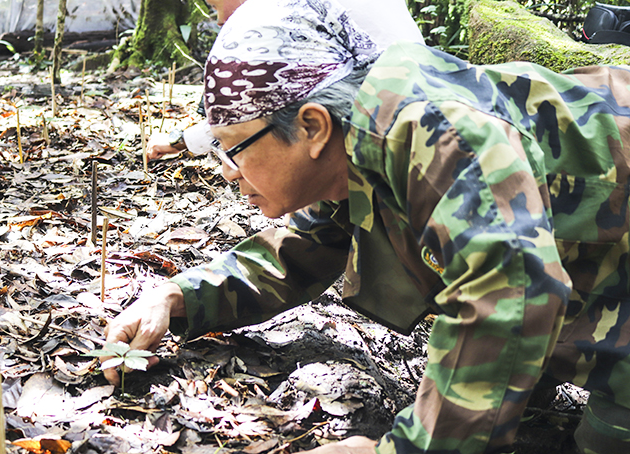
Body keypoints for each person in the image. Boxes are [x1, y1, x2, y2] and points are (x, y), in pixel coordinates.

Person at [104, 0, 630, 453]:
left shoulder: (437, 135)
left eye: (234, 146)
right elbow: (298, 249)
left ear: (312, 126)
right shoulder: (356, 142)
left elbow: (510, 294)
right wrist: (176, 298)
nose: (226, 168)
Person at [146, 0, 424, 161]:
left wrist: (183, 141)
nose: (218, 20)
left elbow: (254, 109)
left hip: (391, 136)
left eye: (213, 5)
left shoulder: (283, 13)